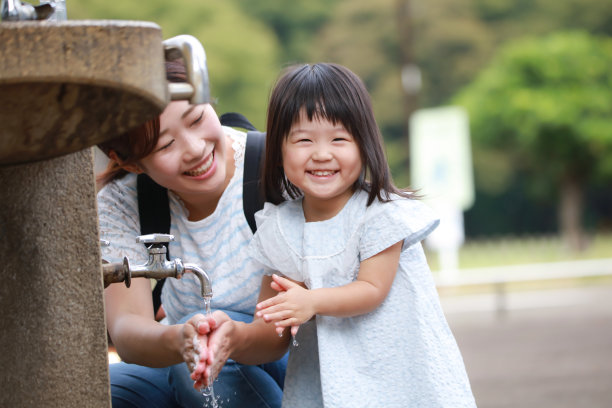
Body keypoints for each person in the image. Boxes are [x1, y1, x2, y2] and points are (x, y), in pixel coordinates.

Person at [247, 63, 476, 407]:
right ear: (278, 151)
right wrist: (229, 336)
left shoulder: (380, 214)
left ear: (364, 144)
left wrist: (310, 302)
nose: (322, 154)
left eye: (339, 139)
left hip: (398, 372)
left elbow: (371, 290)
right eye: (304, 140)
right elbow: (270, 322)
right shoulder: (280, 228)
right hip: (328, 381)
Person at [97, 59, 289, 408]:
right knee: (98, 390)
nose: (196, 149)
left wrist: (220, 337)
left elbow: (279, 333)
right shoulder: (122, 202)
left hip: (282, 353)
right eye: (166, 145)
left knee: (199, 366)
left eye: (197, 119)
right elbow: (126, 328)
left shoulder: (276, 172)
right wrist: (179, 339)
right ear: (129, 162)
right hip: (185, 352)